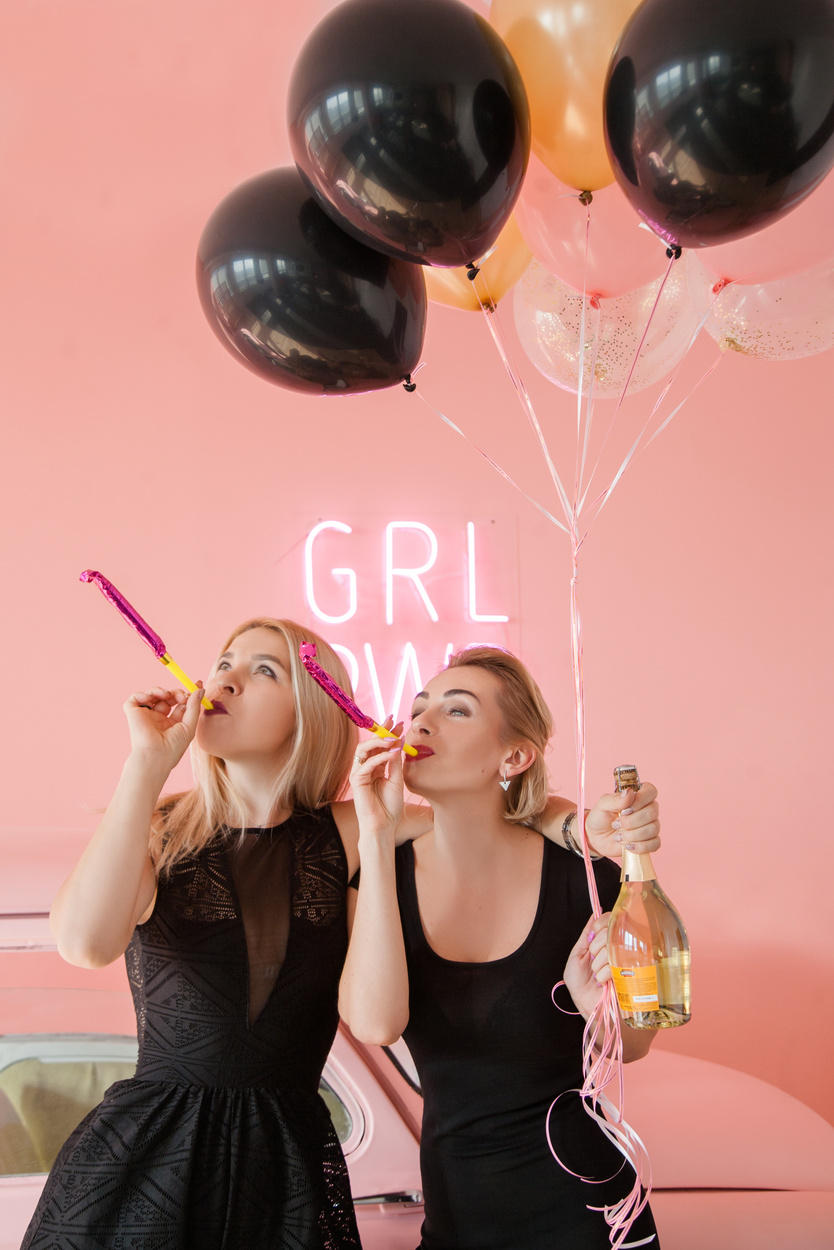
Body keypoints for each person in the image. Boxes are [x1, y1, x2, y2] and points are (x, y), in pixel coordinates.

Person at [22, 618, 371, 1250]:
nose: (226, 679)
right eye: (225, 662)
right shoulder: (158, 825)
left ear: (312, 709)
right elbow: (83, 943)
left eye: (264, 669)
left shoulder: (355, 830)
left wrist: (580, 829)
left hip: (286, 1170)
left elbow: (486, 818)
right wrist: (147, 765)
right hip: (142, 1167)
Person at [339, 645, 662, 1250]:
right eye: (419, 708)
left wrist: (600, 1010)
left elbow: (636, 1043)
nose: (421, 723)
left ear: (514, 755)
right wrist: (377, 840)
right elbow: (375, 1022)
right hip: (458, 1222)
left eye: (457, 711)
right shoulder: (377, 879)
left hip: (590, 1217)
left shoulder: (588, 879)